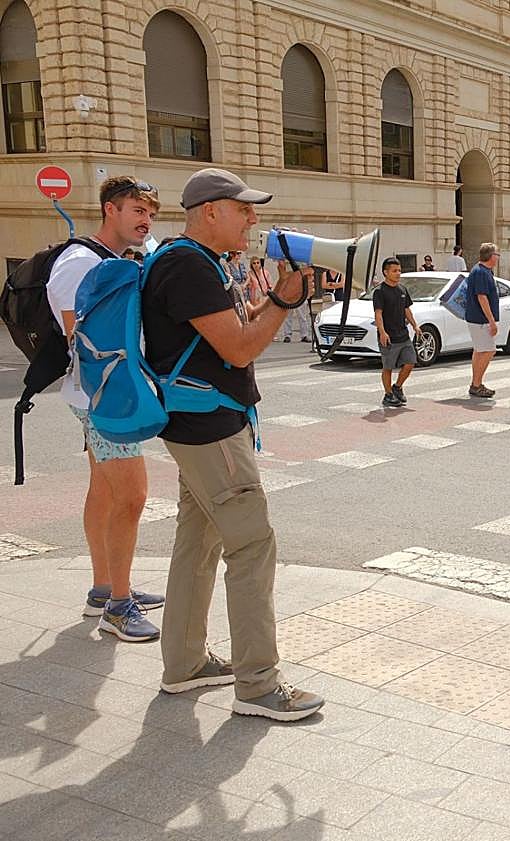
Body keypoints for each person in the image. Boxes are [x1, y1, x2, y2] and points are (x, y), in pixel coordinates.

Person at [142, 167, 324, 721]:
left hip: (198, 425)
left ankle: (185, 663)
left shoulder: (195, 260)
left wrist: (276, 297)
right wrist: (284, 302)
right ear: (210, 212)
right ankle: (259, 685)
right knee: (252, 547)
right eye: (243, 209)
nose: (252, 219)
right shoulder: (189, 266)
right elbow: (240, 348)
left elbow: (235, 330)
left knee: (196, 544)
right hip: (212, 431)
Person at [46, 176, 164, 641]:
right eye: (137, 211)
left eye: (150, 213)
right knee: (132, 496)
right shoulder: (80, 262)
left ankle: (105, 588)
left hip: (100, 395)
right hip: (103, 399)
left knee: (104, 490)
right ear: (110, 210)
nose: (146, 221)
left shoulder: (112, 260)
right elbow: (81, 340)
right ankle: (118, 607)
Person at [373, 257, 422, 406]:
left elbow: (407, 310)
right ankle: (388, 395)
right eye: (394, 271)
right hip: (389, 337)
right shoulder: (380, 291)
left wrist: (415, 326)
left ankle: (397, 387)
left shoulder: (402, 289)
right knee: (388, 367)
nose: (398, 273)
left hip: (403, 335)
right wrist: (382, 332)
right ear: (385, 272)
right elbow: (378, 314)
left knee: (410, 362)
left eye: (399, 270)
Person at [466, 242, 501, 398]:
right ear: (492, 256)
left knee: (479, 351)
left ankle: (476, 383)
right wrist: (492, 321)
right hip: (481, 320)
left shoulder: (481, 270)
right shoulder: (481, 272)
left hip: (477, 318)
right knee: (489, 350)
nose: (498, 258)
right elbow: (482, 297)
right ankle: (476, 384)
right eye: (497, 255)